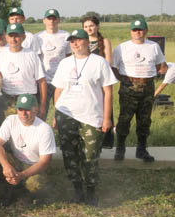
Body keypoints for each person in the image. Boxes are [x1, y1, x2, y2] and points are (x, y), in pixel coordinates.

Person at [52, 29, 117, 206]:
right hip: (66, 116)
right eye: (72, 41)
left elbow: (108, 92)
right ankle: (77, 190)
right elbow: (58, 90)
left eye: (78, 40)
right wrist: (56, 115)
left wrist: (106, 118)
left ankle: (91, 191)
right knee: (70, 155)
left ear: (87, 42)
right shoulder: (65, 63)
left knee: (90, 156)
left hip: (91, 117)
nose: (74, 44)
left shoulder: (99, 62)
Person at [112, 19, 167, 162]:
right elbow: (113, 67)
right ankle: (120, 149)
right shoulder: (122, 48)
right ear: (131, 31)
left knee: (144, 121)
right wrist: (125, 80)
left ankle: (141, 150)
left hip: (147, 89)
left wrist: (145, 78)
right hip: (128, 88)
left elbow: (159, 65)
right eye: (135, 30)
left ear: (146, 30)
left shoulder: (154, 46)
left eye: (141, 29)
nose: (138, 32)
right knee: (124, 119)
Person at [0, 94, 56, 206]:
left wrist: (22, 175)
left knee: (35, 185)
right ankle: (13, 187)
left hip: (34, 165)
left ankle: (26, 192)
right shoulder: (11, 120)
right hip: (16, 161)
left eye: (27, 110)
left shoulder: (44, 129)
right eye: (20, 109)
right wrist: (6, 165)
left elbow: (45, 162)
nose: (23, 113)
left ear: (35, 109)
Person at [0, 23, 47, 120]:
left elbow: (42, 81)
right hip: (7, 99)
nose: (13, 40)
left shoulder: (32, 55)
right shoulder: (0, 55)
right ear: (6, 37)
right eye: (10, 36)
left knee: (29, 130)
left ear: (24, 37)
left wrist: (42, 105)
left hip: (28, 99)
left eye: (17, 36)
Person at [82, 16, 114, 149]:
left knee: (104, 110)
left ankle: (105, 141)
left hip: (101, 81)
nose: (89, 28)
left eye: (91, 25)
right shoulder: (82, 41)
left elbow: (109, 62)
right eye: (85, 27)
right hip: (87, 83)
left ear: (97, 26)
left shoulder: (105, 41)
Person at [35, 9, 71, 114]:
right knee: (41, 112)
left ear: (58, 20)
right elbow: (36, 59)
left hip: (61, 80)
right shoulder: (38, 37)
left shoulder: (66, 36)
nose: (51, 21)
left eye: (54, 18)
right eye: (49, 18)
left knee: (62, 112)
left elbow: (69, 57)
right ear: (44, 21)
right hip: (43, 81)